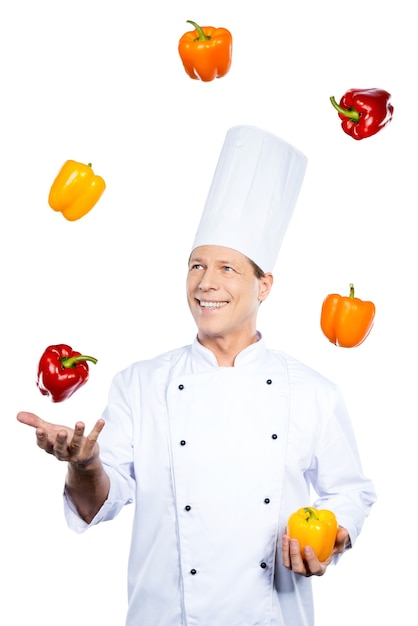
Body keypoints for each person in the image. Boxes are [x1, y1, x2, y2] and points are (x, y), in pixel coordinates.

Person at [17, 125, 376, 626]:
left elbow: (350, 493)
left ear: (264, 284)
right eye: (196, 266)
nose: (205, 283)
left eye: (227, 269)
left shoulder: (313, 392)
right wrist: (84, 464)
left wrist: (337, 537)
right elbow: (101, 500)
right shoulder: (139, 384)